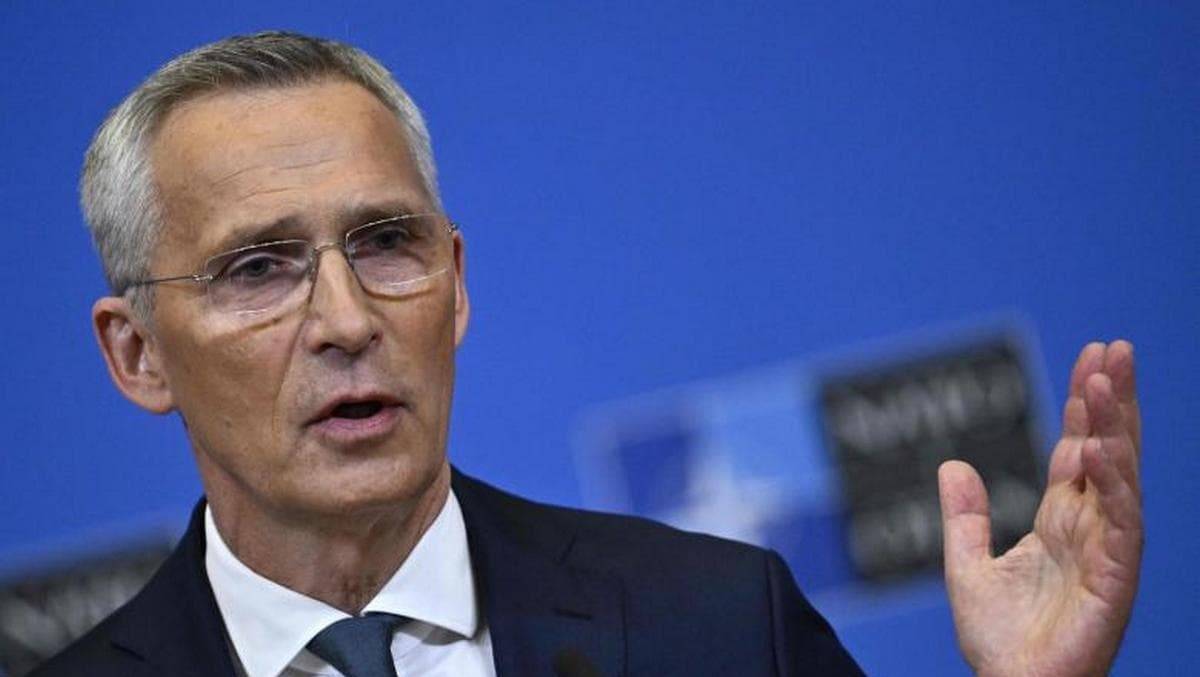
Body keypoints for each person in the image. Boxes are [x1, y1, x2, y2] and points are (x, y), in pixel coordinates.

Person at [34, 31, 1143, 676]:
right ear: (139, 355)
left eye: (386, 243)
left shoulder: (718, 627)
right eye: (258, 268)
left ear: (455, 282)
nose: (346, 318)